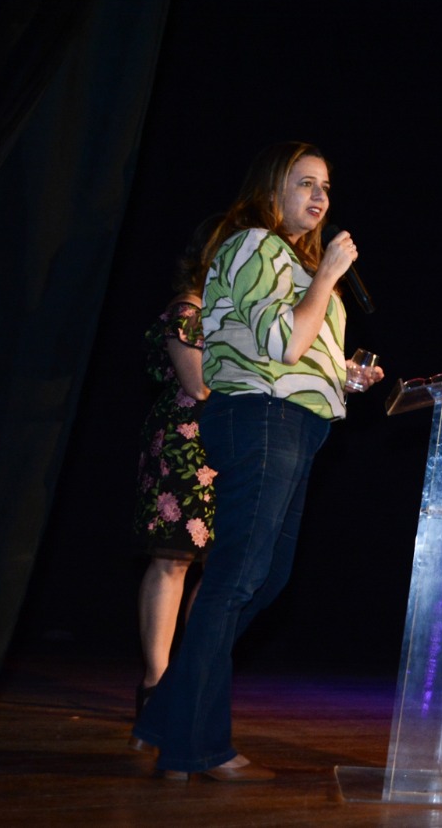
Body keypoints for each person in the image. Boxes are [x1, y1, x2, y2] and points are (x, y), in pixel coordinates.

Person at [130, 141, 384, 780]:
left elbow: (300, 346)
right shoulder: (253, 245)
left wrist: (342, 374)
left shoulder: (292, 263)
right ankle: (195, 746)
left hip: (297, 420)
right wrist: (326, 276)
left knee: (263, 580)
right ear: (271, 189)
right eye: (304, 183)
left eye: (325, 185)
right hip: (259, 417)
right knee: (238, 578)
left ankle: (167, 716)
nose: (320, 197)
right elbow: (280, 340)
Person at [131, 224, 217, 728]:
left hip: (227, 442)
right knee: (174, 559)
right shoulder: (189, 309)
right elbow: (199, 385)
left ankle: (192, 678)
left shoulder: (232, 312)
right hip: (185, 442)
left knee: (219, 565)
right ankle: (156, 684)